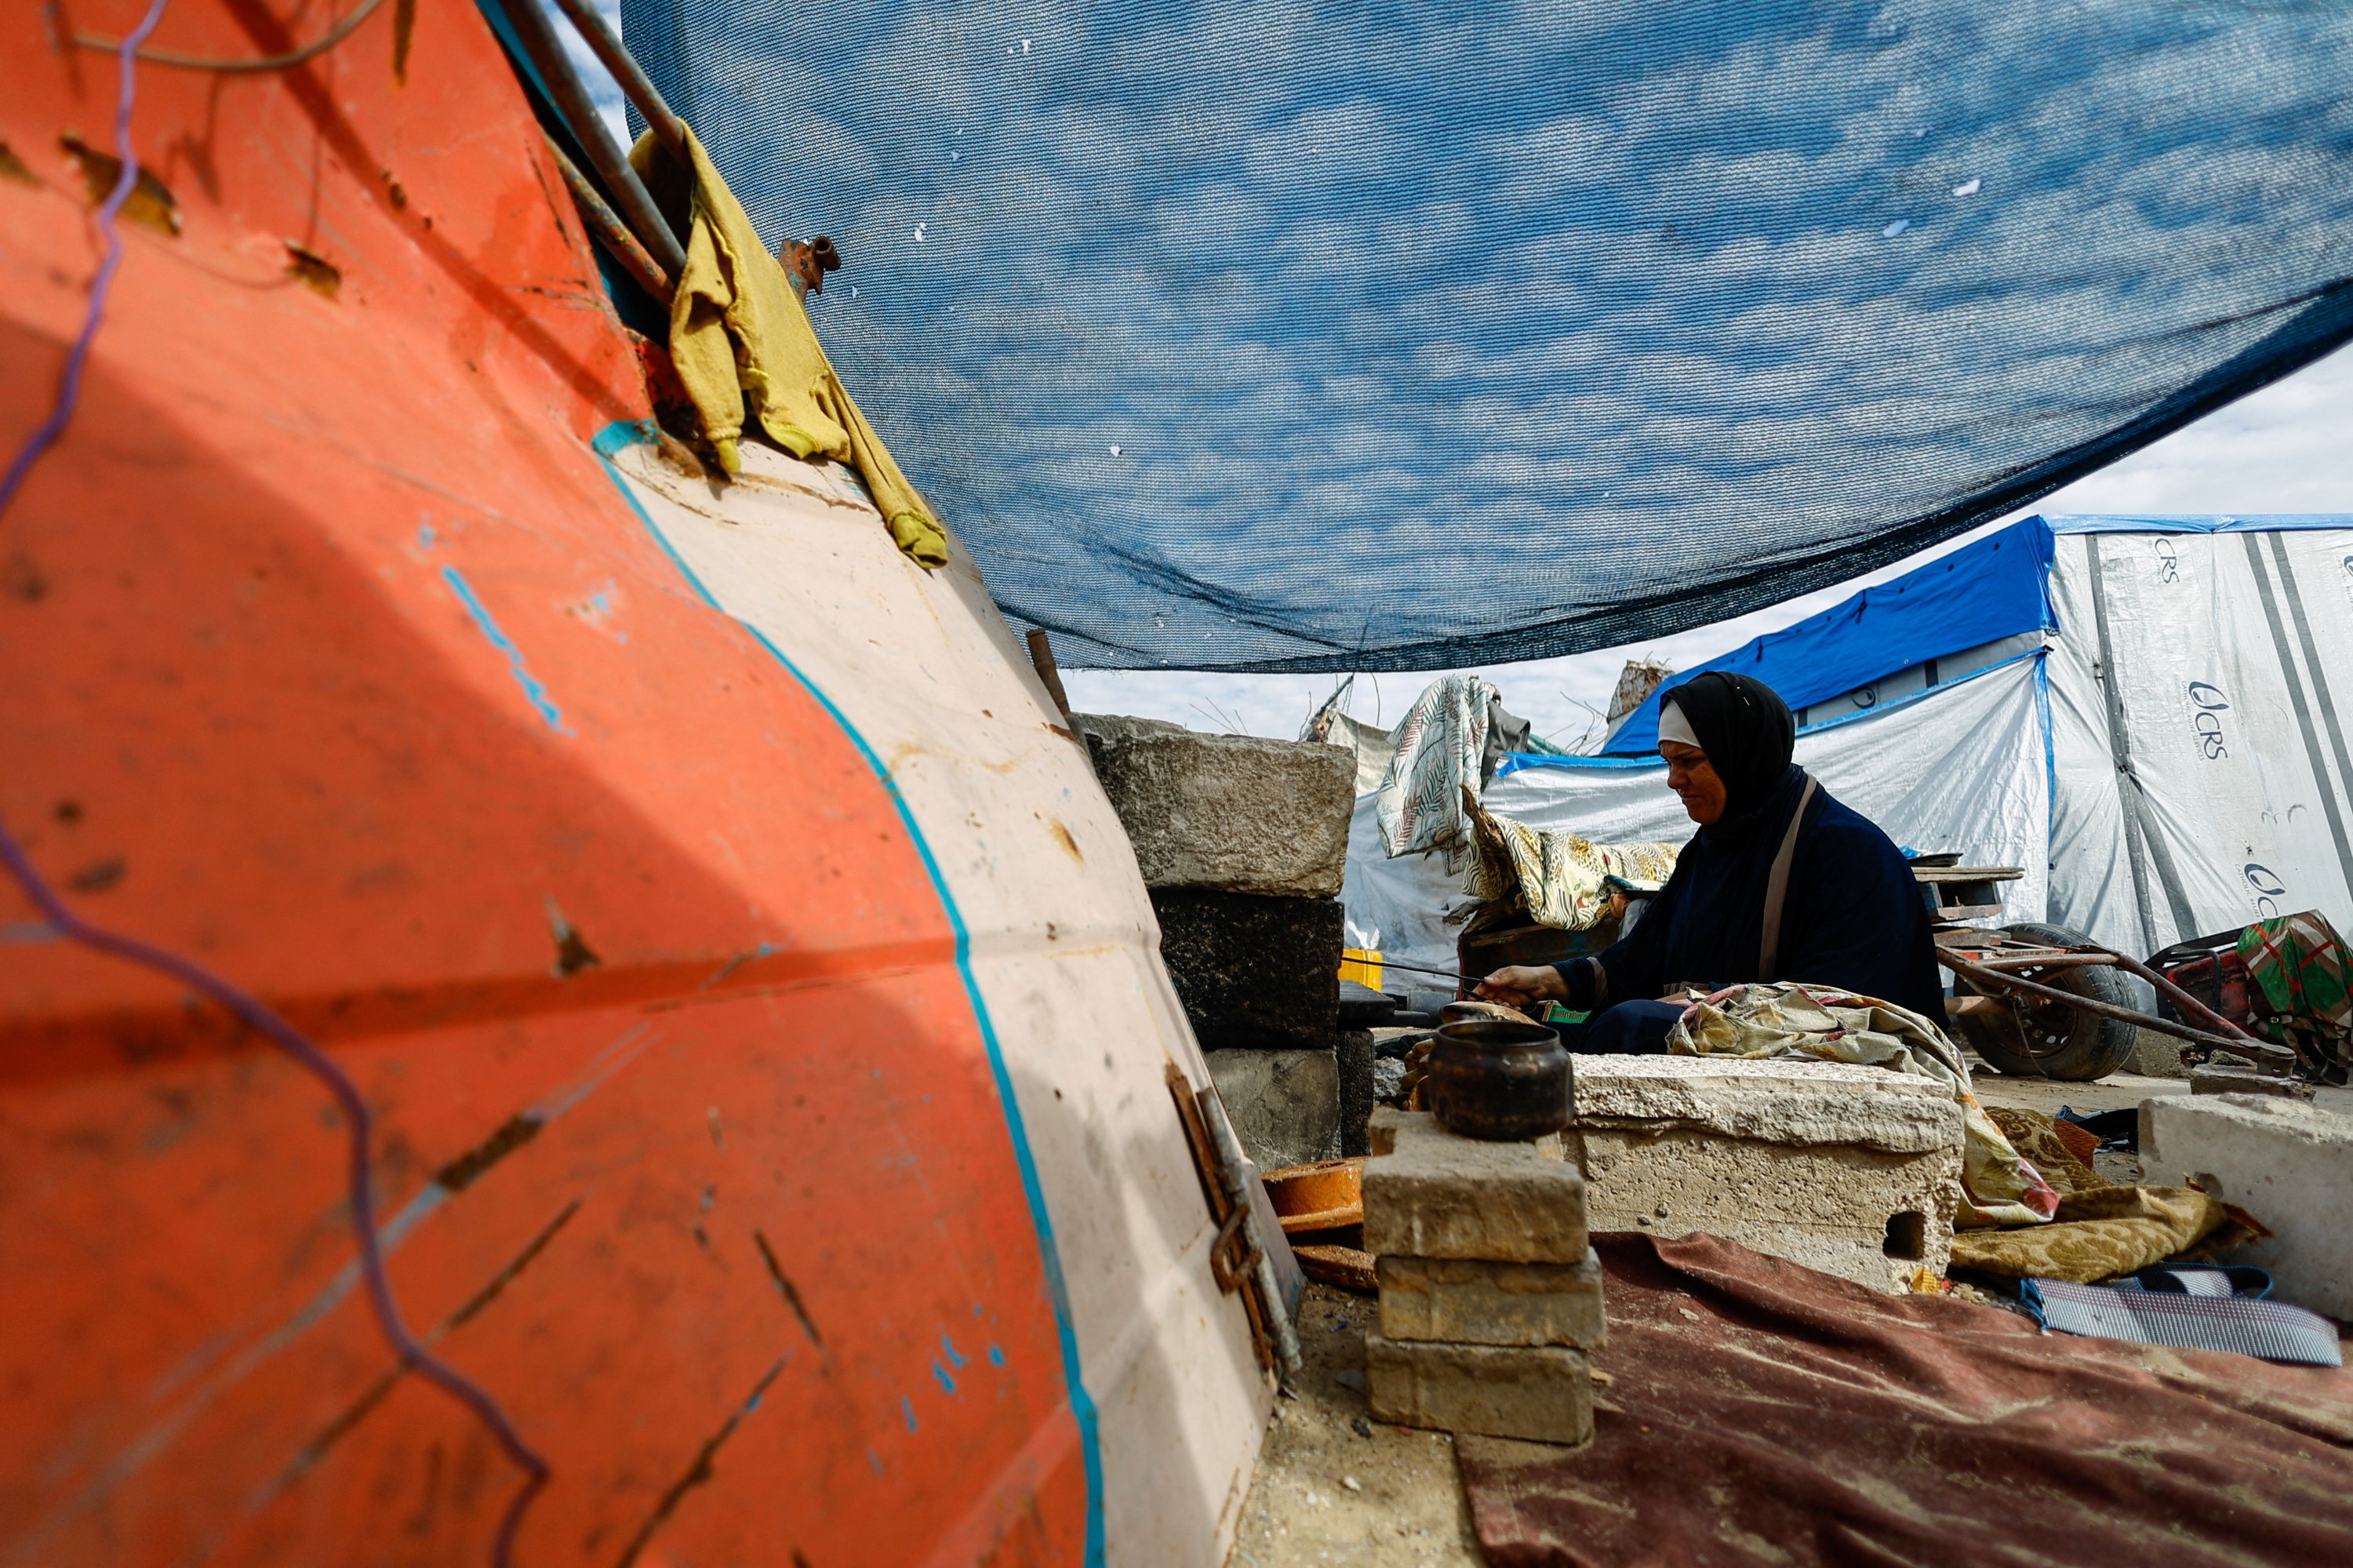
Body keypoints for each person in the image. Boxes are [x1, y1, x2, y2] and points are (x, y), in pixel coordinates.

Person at [1476, 671, 1943, 1052]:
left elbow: (1842, 1003)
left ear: (1743, 756)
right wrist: (1547, 980)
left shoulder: (1849, 854)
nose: (1673, 780)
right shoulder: (1710, 849)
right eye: (1668, 762)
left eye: (1689, 761)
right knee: (1512, 1030)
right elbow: (1641, 960)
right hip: (1726, 1040)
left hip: (1832, 1062)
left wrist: (1705, 1005)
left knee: (1629, 1026)